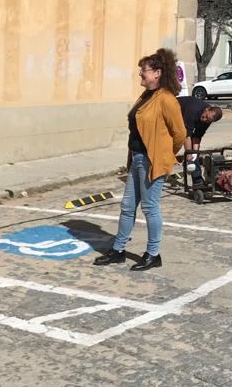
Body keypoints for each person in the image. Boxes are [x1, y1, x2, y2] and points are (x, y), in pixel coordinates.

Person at [94, 49, 187, 271]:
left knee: (150, 207)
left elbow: (180, 134)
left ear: (157, 73)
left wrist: (165, 154)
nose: (140, 75)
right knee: (127, 206)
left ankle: (153, 254)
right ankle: (118, 250)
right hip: (137, 158)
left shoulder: (166, 99)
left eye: (143, 71)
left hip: (152, 161)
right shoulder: (147, 96)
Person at [176, 96, 223, 187]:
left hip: (183, 123)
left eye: (208, 120)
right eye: (205, 116)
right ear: (207, 109)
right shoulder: (193, 111)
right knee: (188, 154)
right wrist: (189, 155)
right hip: (171, 114)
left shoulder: (208, 119)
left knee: (194, 155)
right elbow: (187, 136)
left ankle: (198, 181)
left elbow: (197, 137)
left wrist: (194, 154)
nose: (205, 119)